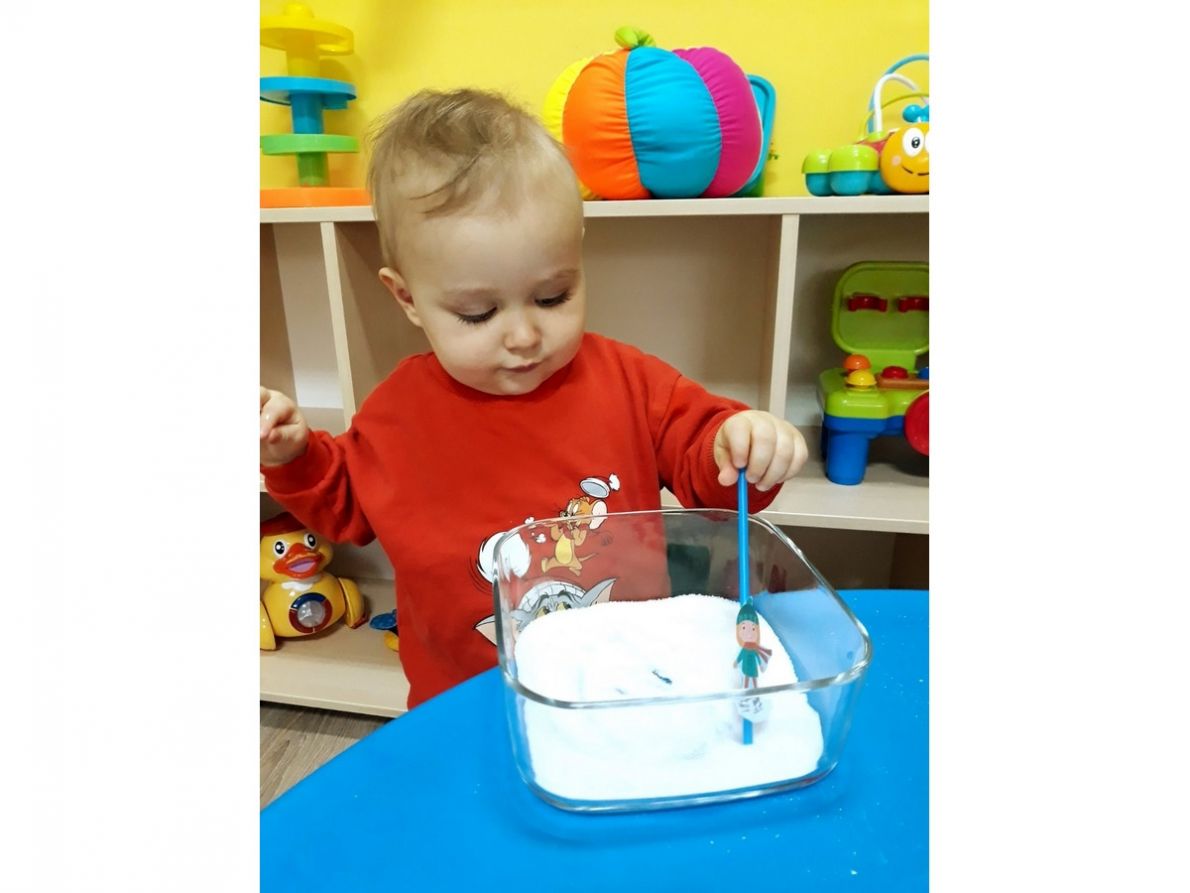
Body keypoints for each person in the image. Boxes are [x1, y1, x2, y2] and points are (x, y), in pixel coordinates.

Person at [259, 88, 808, 709]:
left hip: (622, 682)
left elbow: (710, 466)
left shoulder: (629, 383)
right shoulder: (397, 412)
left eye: (552, 297)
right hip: (464, 697)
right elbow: (344, 506)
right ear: (407, 298)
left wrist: (741, 441)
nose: (523, 336)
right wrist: (292, 456)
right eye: (478, 313)